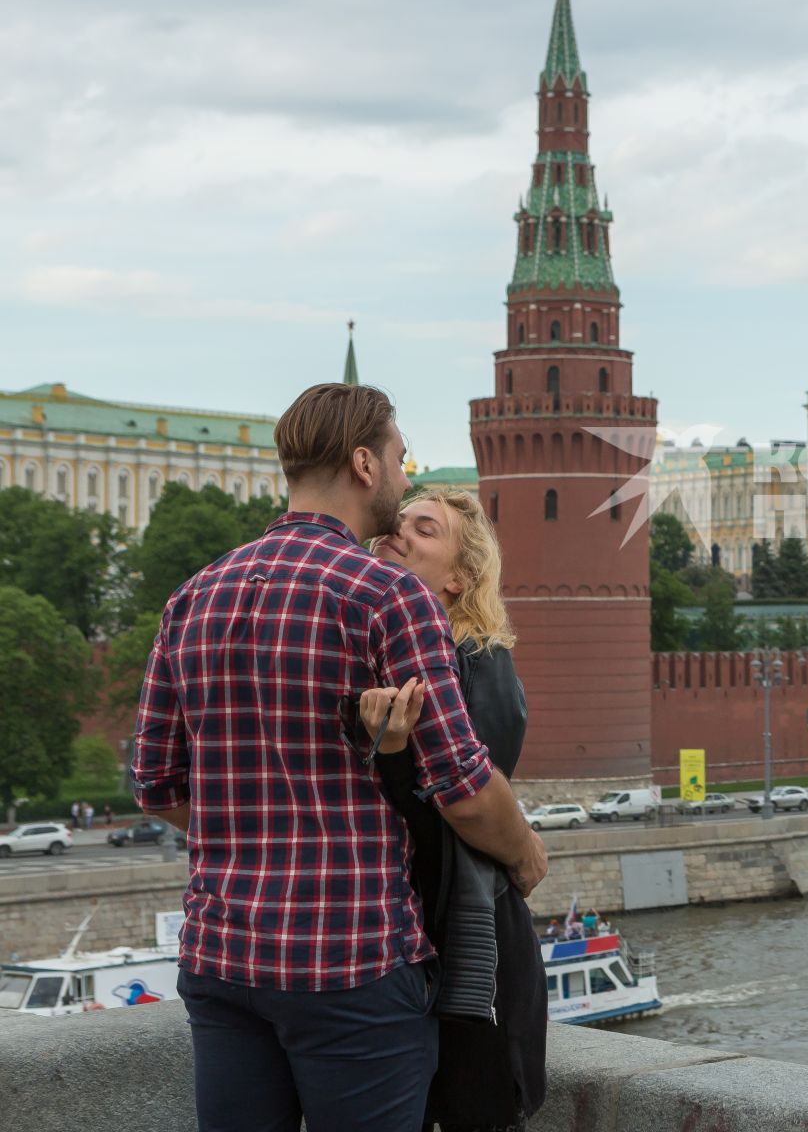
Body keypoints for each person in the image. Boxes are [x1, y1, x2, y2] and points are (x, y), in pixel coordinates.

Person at [132, 383, 548, 1132]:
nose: (401, 471)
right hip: (349, 965)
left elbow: (156, 786)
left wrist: (252, 840)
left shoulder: (190, 598)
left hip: (222, 958)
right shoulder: (388, 595)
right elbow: (462, 788)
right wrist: (525, 854)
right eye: (398, 456)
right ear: (364, 463)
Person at [360, 486, 547, 1132]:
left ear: (460, 579)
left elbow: (461, 810)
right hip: (397, 952)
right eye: (399, 519)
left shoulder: (482, 665)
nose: (399, 530)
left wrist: (390, 750)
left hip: (471, 958)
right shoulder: (379, 659)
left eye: (425, 529)